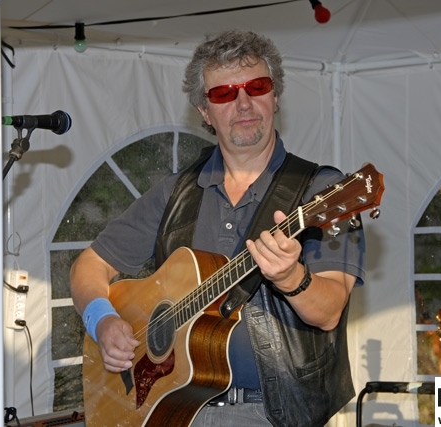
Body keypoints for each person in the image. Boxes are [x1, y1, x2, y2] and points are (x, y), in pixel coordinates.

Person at [70, 29, 365, 427]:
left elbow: (329, 312)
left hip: (271, 414)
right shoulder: (177, 191)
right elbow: (88, 266)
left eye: (256, 87)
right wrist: (103, 320)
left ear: (275, 96)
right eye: (224, 94)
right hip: (172, 409)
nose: (243, 103)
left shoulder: (321, 190)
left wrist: (290, 277)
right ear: (205, 111)